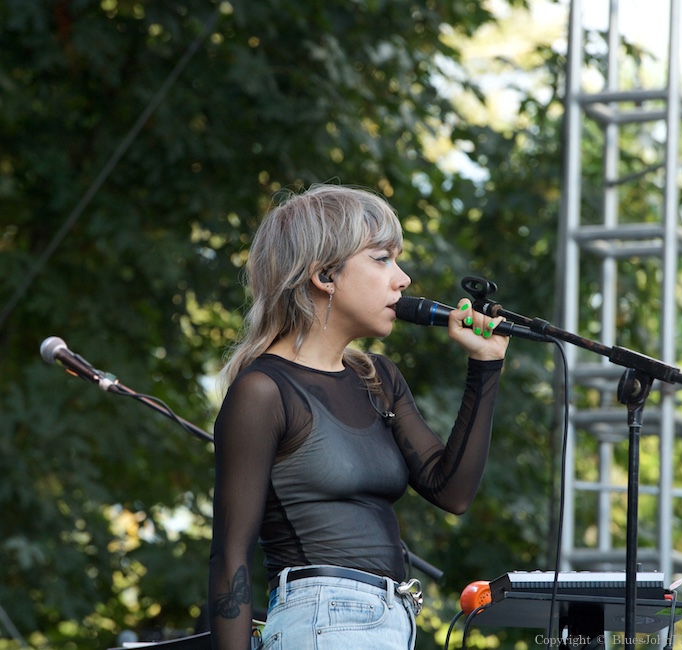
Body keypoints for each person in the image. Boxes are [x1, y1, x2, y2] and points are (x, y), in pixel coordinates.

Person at [207, 183, 509, 650]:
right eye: (382, 258)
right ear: (325, 275)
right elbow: (230, 557)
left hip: (393, 620)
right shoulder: (263, 392)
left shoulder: (377, 379)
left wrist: (485, 366)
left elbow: (451, 491)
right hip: (318, 620)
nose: (403, 278)